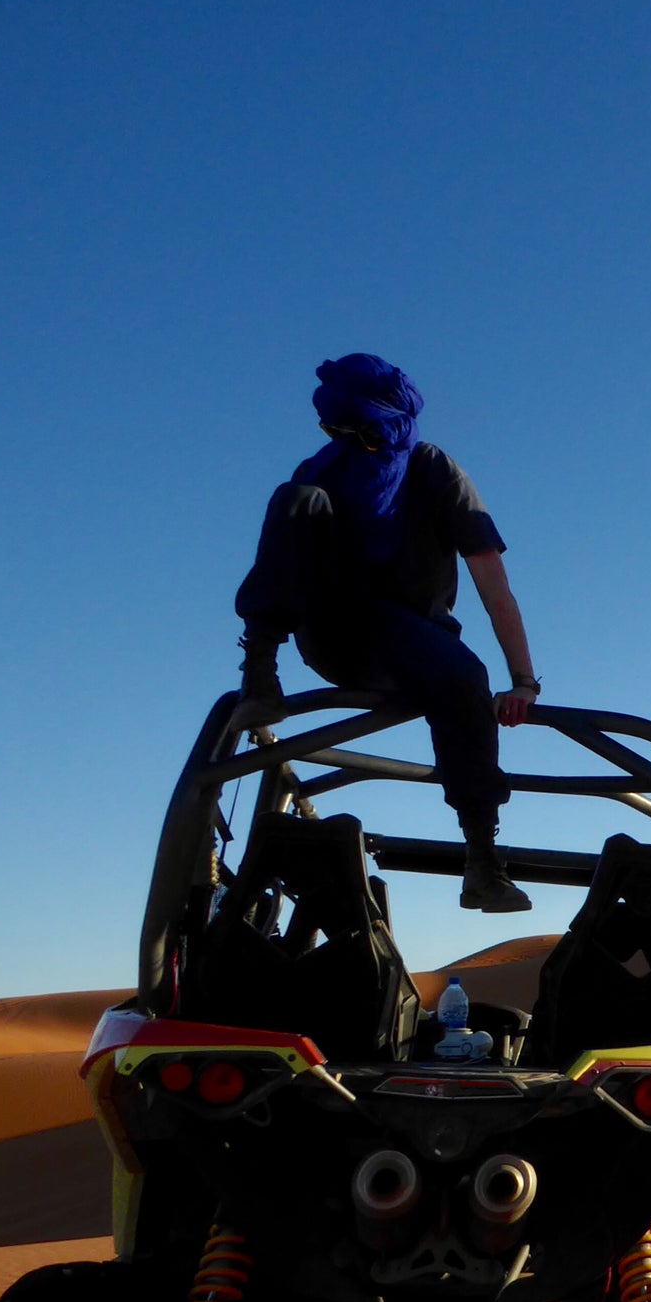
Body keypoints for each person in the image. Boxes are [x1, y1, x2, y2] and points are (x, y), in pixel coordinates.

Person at [233, 354, 539, 913]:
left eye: (364, 432)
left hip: (418, 639)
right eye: (335, 431)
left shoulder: (431, 469)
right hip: (336, 630)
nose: (351, 443)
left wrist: (522, 679)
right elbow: (282, 558)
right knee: (296, 501)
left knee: (464, 677)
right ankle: (259, 675)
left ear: (393, 422)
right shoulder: (321, 470)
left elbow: (493, 582)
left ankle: (480, 859)